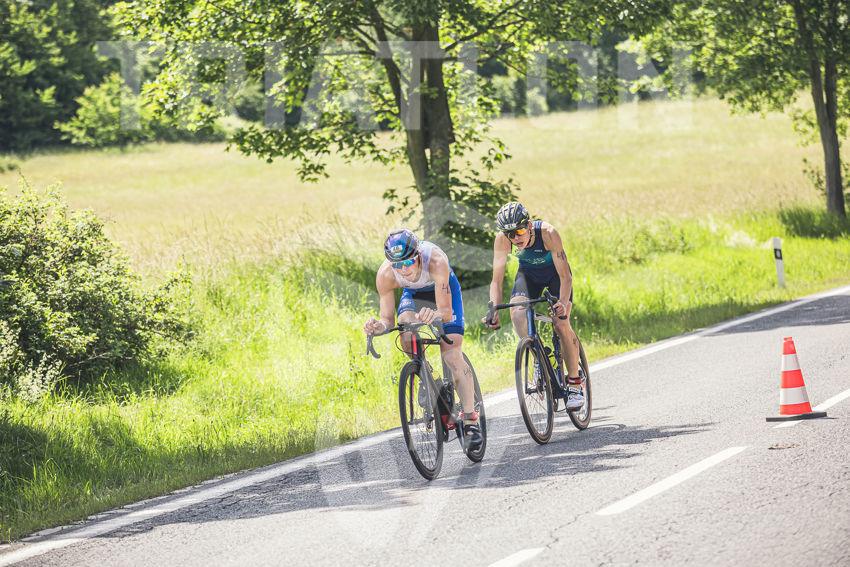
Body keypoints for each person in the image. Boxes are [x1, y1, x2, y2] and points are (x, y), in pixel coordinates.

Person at [364, 229, 482, 449]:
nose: (404, 269)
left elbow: (445, 311)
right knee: (405, 330)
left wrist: (435, 314)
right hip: (414, 295)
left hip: (445, 294)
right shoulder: (386, 274)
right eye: (398, 265)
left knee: (451, 355)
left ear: (417, 255)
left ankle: (470, 420)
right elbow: (387, 320)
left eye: (408, 262)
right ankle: (425, 374)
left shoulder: (435, 261)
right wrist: (378, 327)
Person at [484, 202, 585, 410]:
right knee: (517, 313)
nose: (516, 238)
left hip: (556, 276)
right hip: (529, 275)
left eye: (520, 231)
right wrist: (493, 308)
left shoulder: (548, 233)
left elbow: (566, 277)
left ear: (529, 225)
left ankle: (575, 383)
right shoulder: (502, 240)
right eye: (510, 234)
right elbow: (496, 281)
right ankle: (541, 357)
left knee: (561, 323)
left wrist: (562, 303)